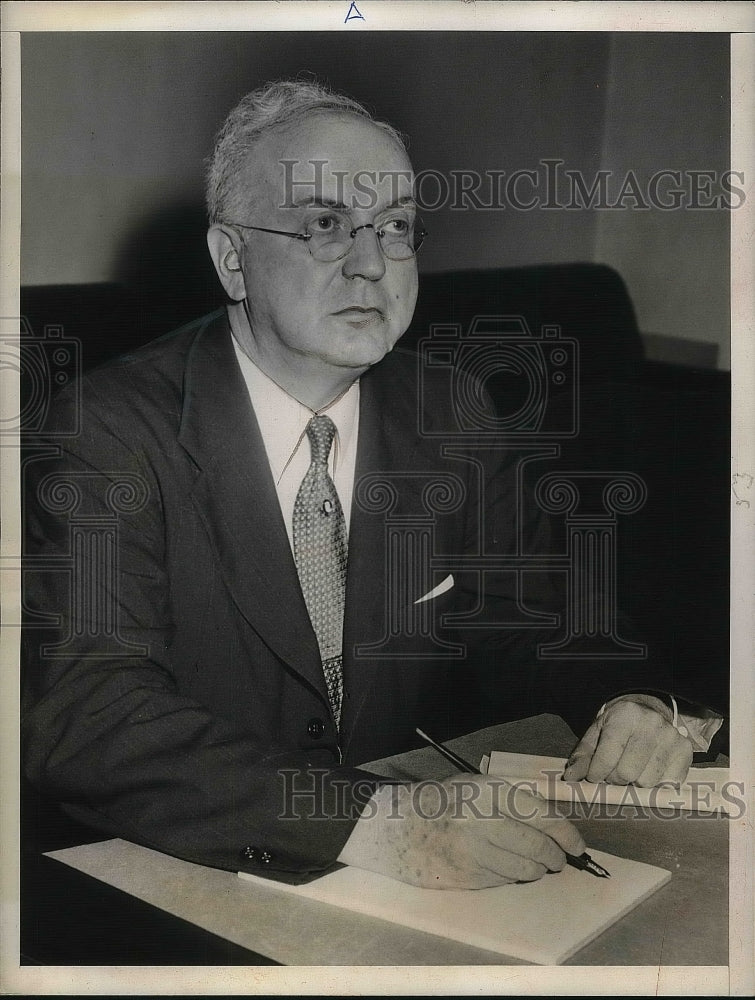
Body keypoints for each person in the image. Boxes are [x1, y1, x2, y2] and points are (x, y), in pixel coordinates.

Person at [22, 79, 721, 890]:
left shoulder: (454, 411)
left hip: (421, 871)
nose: (370, 264)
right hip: (167, 870)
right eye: (324, 225)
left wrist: (632, 700)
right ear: (231, 259)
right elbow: (84, 713)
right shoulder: (103, 432)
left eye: (394, 227)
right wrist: (375, 823)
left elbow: (529, 619)